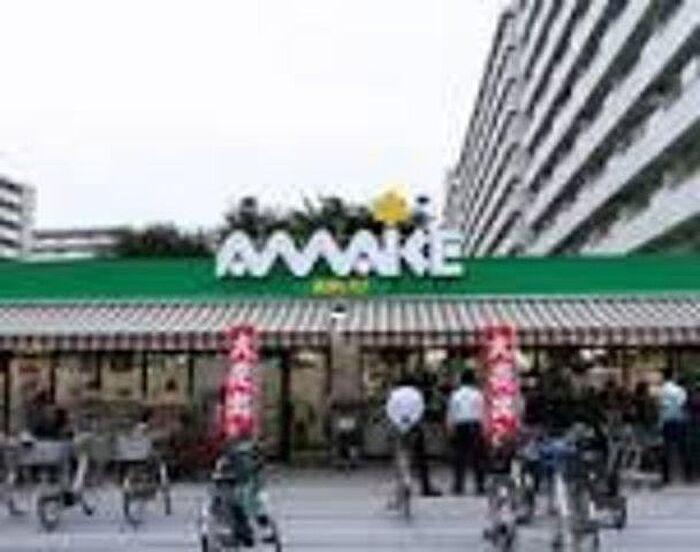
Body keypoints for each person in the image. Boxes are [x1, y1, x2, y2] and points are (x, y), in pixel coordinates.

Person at [385, 376, 441, 497]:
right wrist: (411, 422)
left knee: (401, 455)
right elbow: (420, 410)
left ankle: (403, 485)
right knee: (421, 458)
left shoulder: (394, 394)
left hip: (398, 428)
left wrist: (399, 423)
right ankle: (425, 487)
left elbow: (390, 410)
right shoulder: (417, 394)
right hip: (415, 428)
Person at [447, 370, 485, 495]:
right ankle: (480, 486)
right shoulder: (478, 394)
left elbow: (451, 413)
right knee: (478, 457)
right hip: (475, 425)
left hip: (460, 426)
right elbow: (483, 412)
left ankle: (459, 486)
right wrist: (483, 428)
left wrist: (450, 428)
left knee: (459, 456)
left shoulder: (455, 395)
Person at [657, 369, 689, 484]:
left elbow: (660, 407)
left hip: (666, 421)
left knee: (666, 448)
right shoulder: (680, 390)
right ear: (672, 377)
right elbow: (683, 404)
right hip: (679, 420)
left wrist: (659, 423)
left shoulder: (661, 391)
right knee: (682, 448)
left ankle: (666, 475)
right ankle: (685, 474)